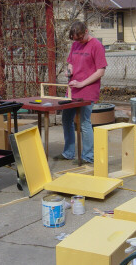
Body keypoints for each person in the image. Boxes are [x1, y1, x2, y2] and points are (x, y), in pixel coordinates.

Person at [53, 21, 107, 164]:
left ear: (86, 31)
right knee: (66, 120)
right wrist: (69, 71)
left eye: (80, 38)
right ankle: (68, 153)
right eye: (75, 39)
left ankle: (87, 156)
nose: (78, 41)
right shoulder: (75, 44)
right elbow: (71, 62)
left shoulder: (96, 45)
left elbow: (100, 71)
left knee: (84, 122)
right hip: (72, 89)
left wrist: (82, 83)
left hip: (88, 90)